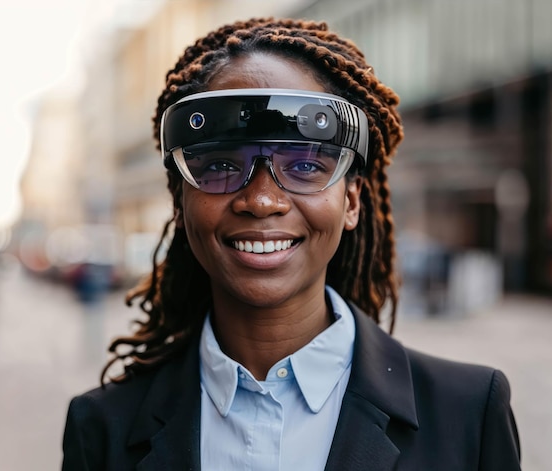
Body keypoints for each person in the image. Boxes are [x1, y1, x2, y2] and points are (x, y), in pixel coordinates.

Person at [62, 18, 520, 470]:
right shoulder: (101, 429)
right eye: (220, 164)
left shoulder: (469, 414)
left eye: (304, 166)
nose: (261, 200)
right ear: (180, 203)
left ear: (352, 202)